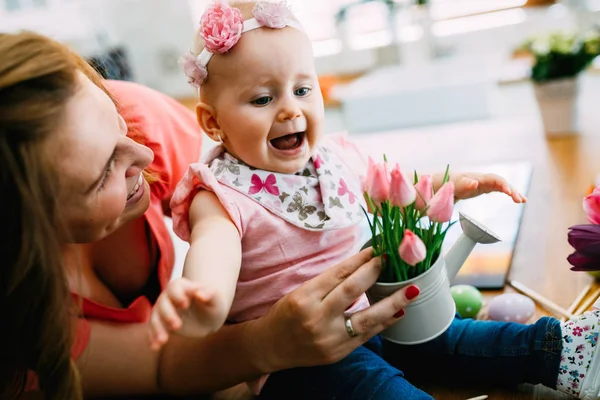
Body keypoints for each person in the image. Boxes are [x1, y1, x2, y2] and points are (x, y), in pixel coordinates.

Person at [147, 1, 600, 399]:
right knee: (378, 389)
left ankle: (567, 352)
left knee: (464, 340)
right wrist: (203, 296)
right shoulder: (221, 193)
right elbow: (214, 251)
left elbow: (395, 195)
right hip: (307, 362)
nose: (290, 109)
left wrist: (449, 186)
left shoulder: (335, 156)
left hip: (381, 318)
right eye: (263, 98)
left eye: (303, 90)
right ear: (212, 123)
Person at [0, 31, 419, 400]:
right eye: (103, 171)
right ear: (28, 229)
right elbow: (159, 367)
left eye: (119, 125)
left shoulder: (137, 119)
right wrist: (264, 341)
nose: (145, 155)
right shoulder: (23, 329)